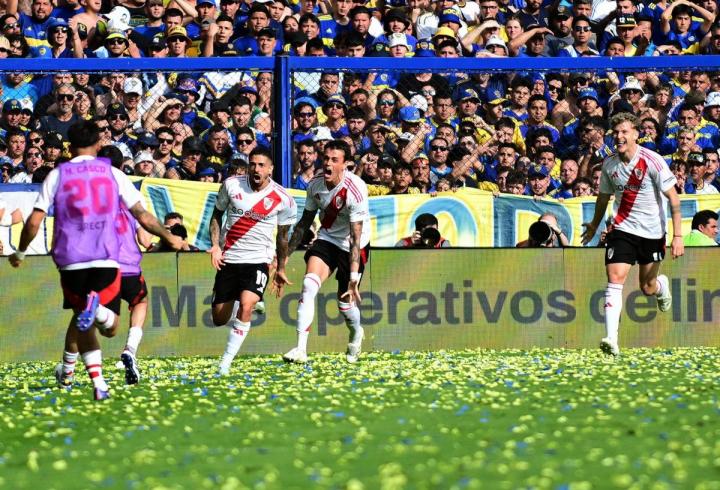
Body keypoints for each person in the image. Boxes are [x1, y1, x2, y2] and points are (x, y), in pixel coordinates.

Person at [8, 120, 182, 400]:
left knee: (81, 319)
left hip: (70, 260)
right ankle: (98, 311)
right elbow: (142, 215)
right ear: (98, 143)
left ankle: (99, 384)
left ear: (69, 146)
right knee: (110, 327)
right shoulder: (112, 173)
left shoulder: (58, 174)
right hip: (105, 257)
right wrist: (168, 236)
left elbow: (33, 222)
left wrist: (20, 252)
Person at [581, 112, 684, 358]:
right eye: (616, 132)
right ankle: (611, 339)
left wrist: (678, 236)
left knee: (647, 287)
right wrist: (595, 225)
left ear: (637, 134)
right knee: (615, 278)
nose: (619, 136)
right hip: (622, 229)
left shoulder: (653, 161)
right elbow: (603, 198)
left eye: (624, 131)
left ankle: (661, 286)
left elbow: (674, 198)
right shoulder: (609, 164)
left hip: (652, 232)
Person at [208, 147, 297, 376]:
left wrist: (281, 267)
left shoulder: (283, 198)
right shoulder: (231, 185)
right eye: (253, 164)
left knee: (246, 306)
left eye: (261, 165)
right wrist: (216, 246)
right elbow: (217, 214)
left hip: (259, 260)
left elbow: (283, 236)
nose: (256, 169)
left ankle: (225, 363)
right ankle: (245, 298)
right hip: (230, 259)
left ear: (270, 169)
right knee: (219, 318)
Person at [281, 139, 370, 364]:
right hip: (328, 238)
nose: (328, 164)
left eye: (334, 160)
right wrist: (283, 259)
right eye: (325, 159)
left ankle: (356, 333)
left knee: (345, 304)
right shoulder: (315, 185)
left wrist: (353, 278)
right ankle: (300, 349)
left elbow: (356, 238)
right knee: (309, 284)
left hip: (353, 244)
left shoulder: (356, 190)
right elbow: (303, 223)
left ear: (346, 164)